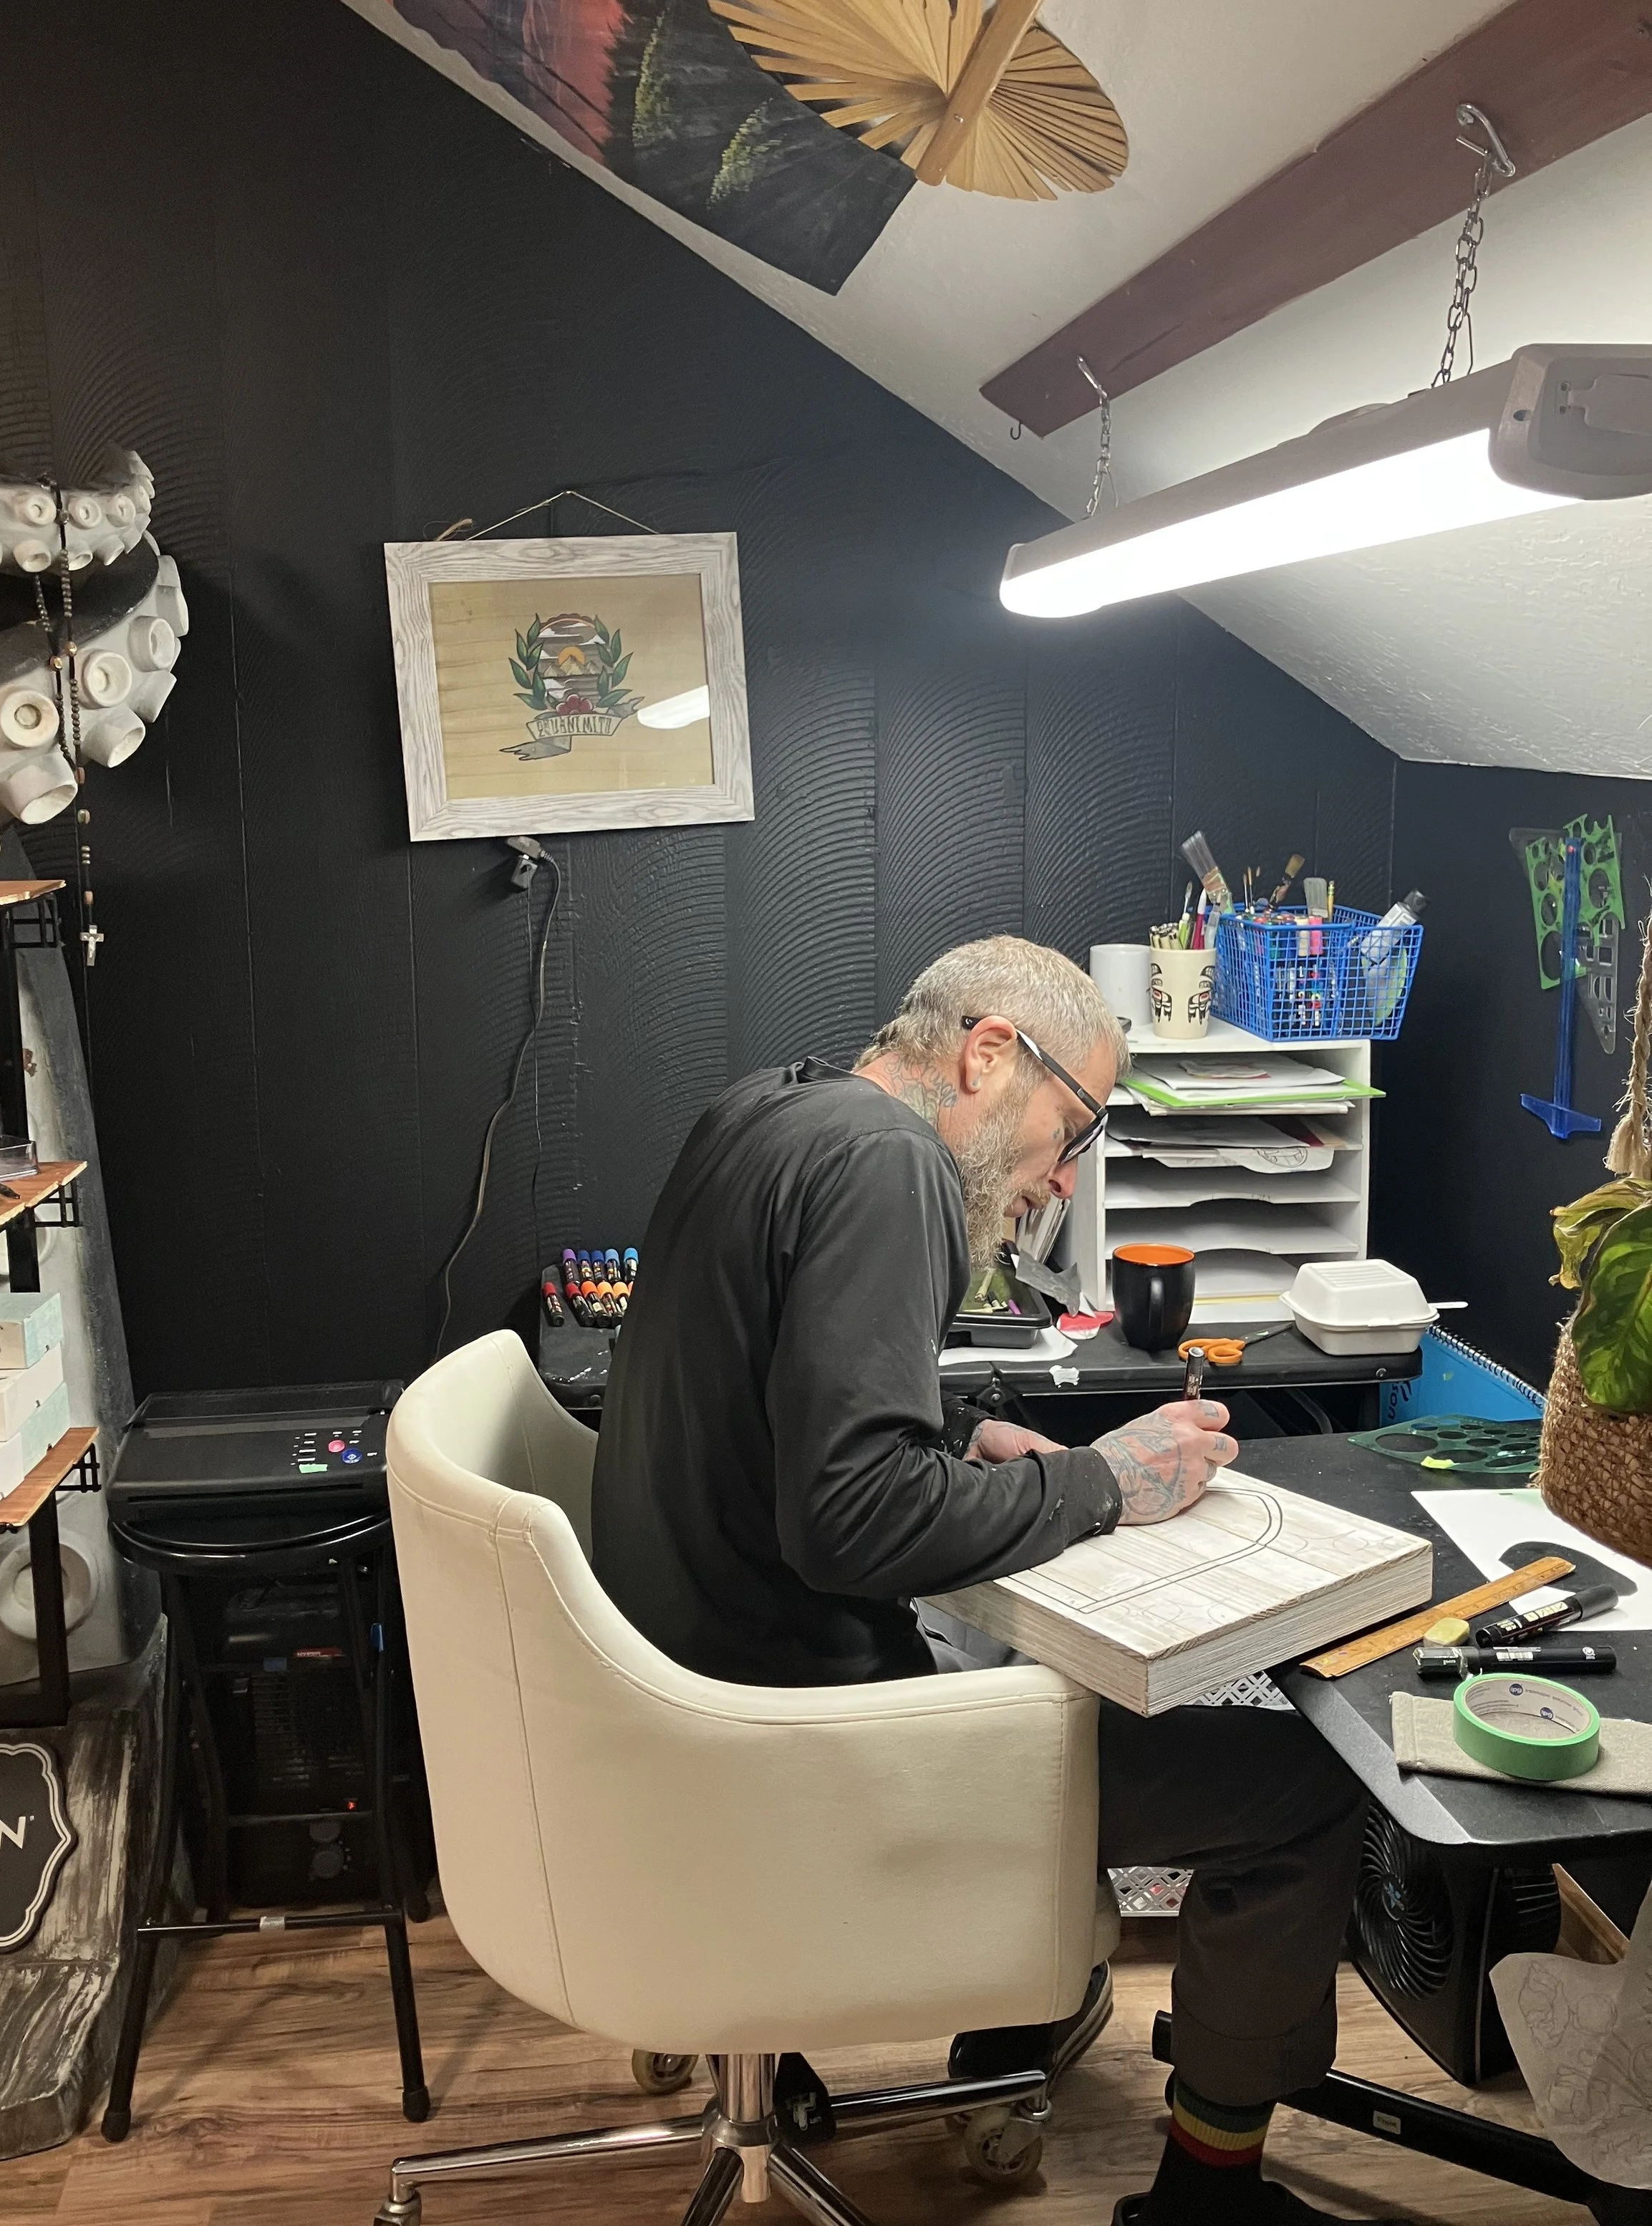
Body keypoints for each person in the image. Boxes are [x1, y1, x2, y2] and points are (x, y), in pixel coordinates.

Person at [591, 935, 1384, 2226]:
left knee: (1033, 1657)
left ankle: (992, 2031)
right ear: (990, 1054)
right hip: (806, 1743)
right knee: (1298, 1792)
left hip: (685, 1697)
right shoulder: (891, 1167)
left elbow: (765, 1407)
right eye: (1077, 1129)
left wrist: (957, 1441)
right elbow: (850, 1523)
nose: (1060, 1178)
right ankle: (1208, 2197)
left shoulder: (761, 1112)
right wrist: (1105, 1483)